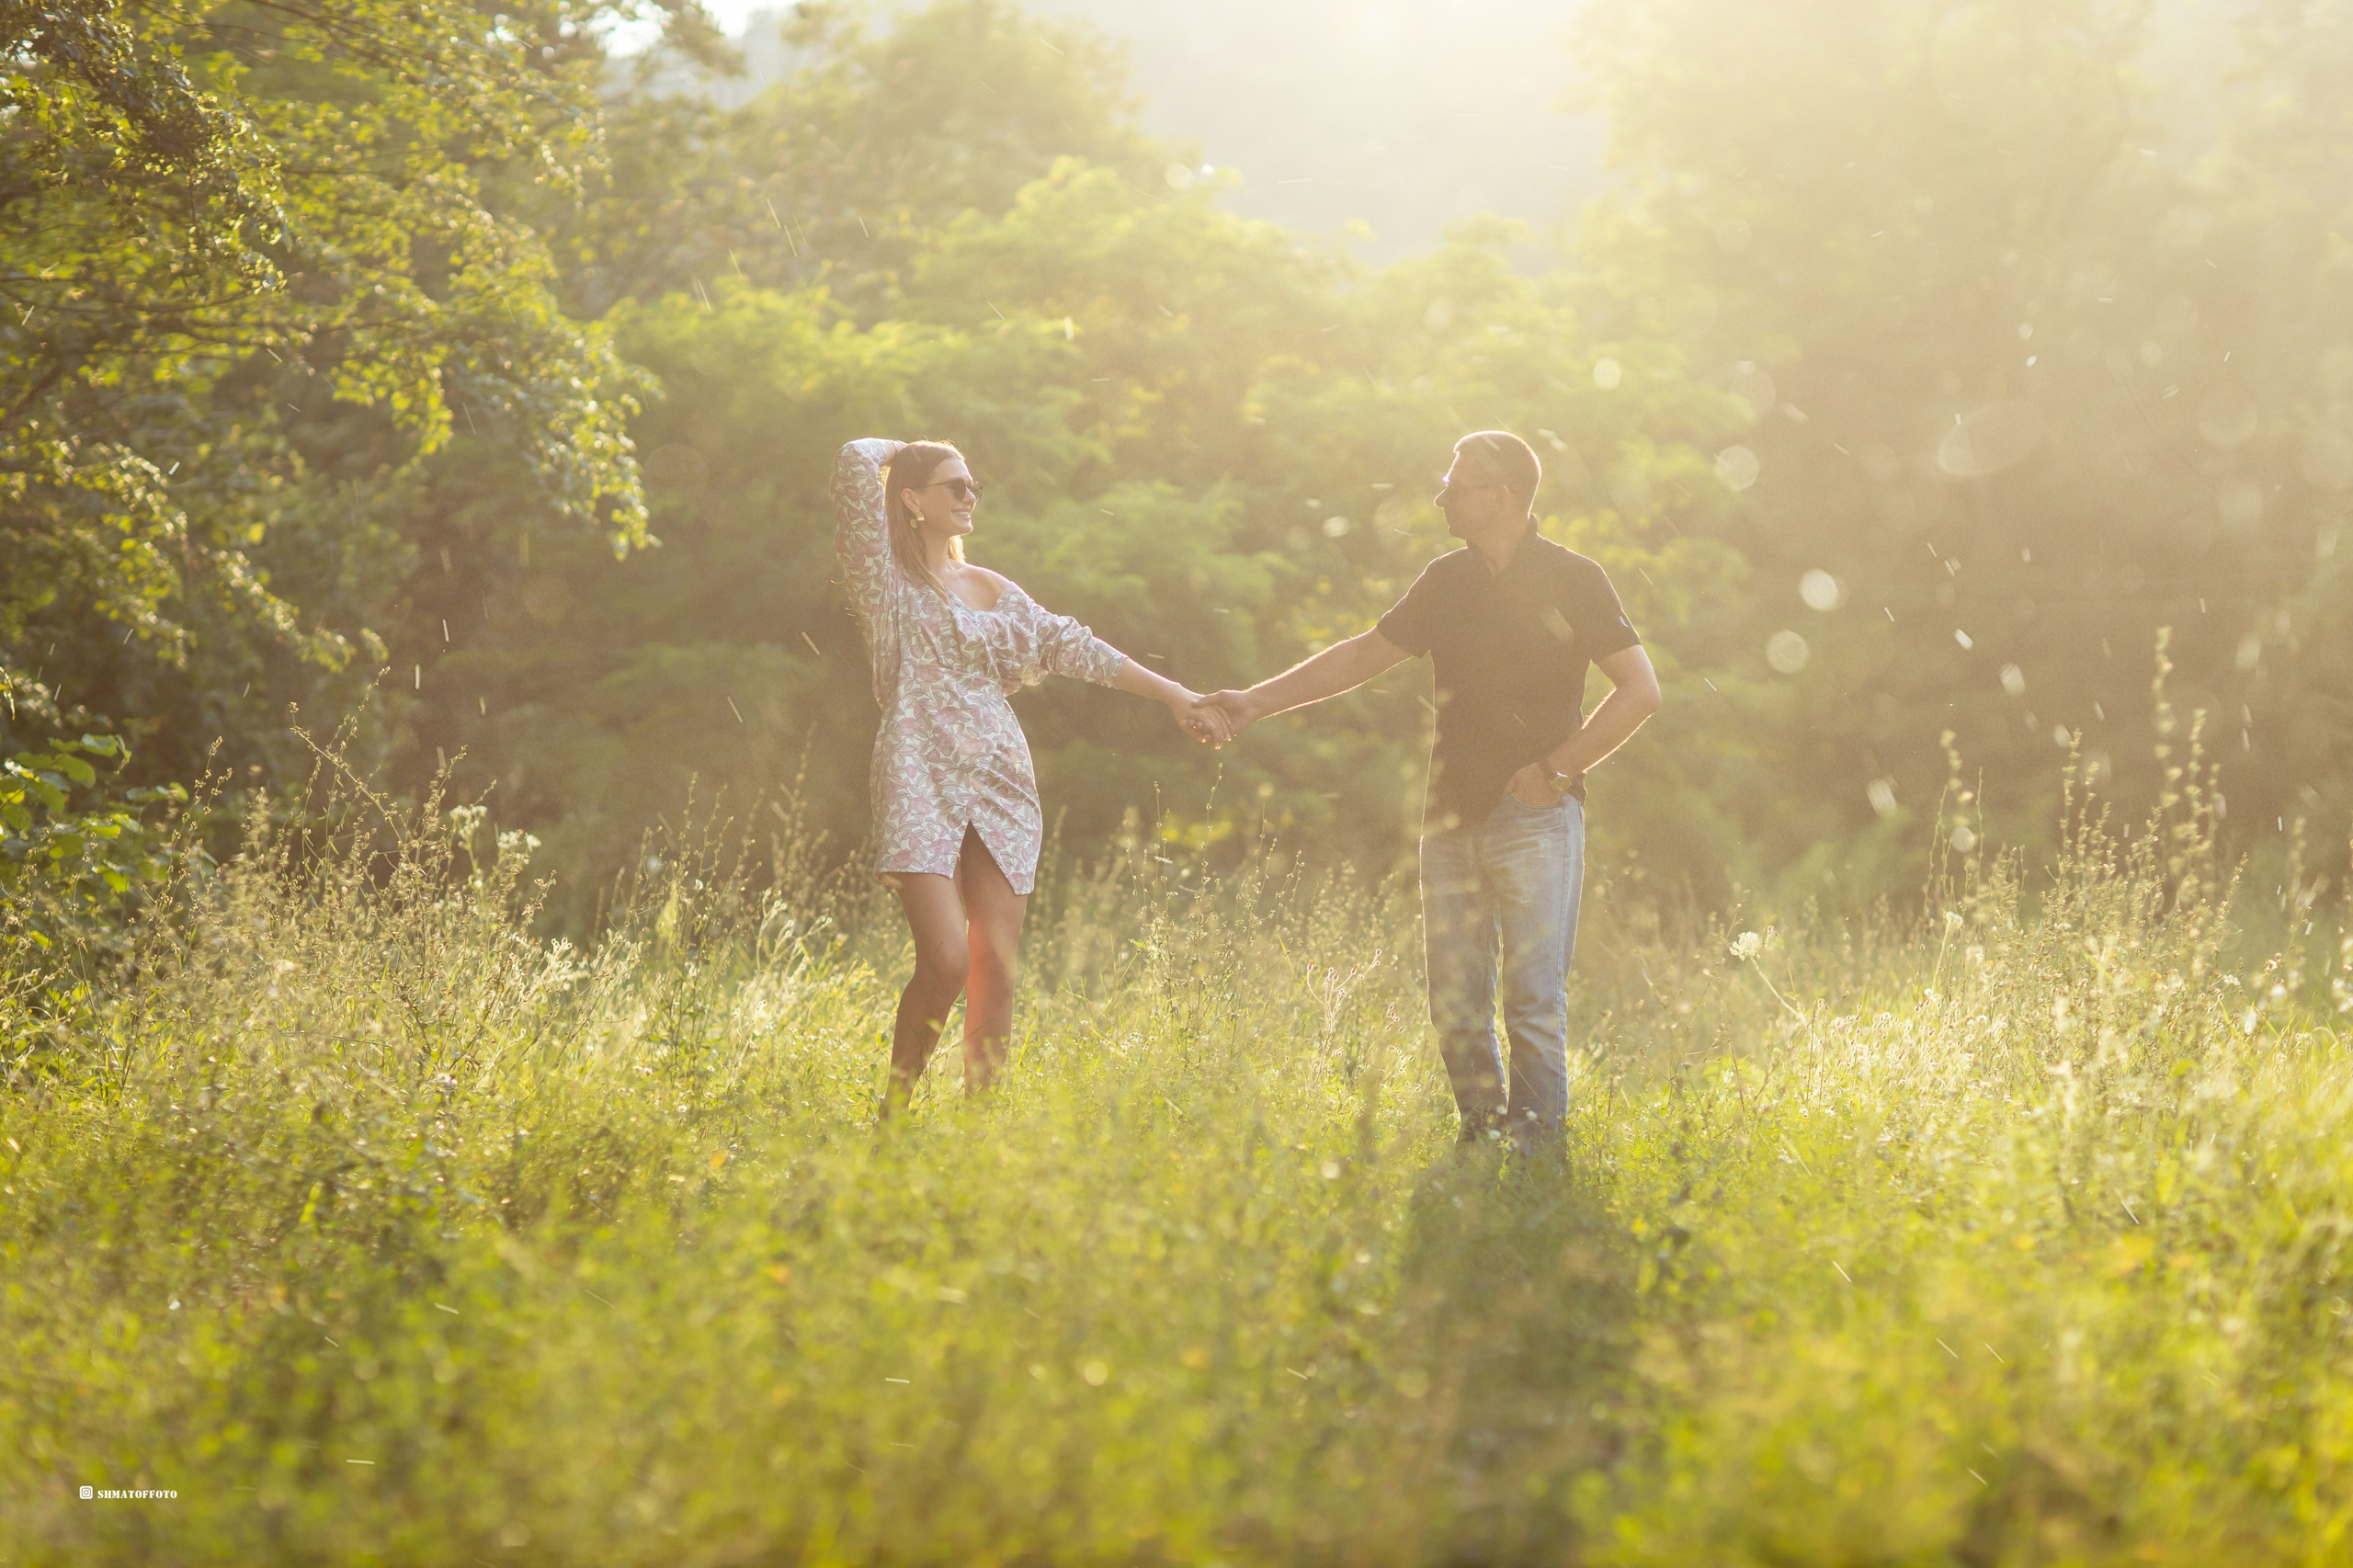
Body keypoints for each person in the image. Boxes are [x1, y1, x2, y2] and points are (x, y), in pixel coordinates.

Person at [1199, 431, 1661, 1150]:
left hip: (1537, 818)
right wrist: (1254, 702)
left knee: (1533, 1003)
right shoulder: (1446, 581)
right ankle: (1482, 1142)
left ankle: (1538, 1159)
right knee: (1456, 1004)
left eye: (1456, 486)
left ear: (1499, 497)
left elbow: (1640, 691)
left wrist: (1556, 772)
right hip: (1448, 820)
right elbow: (1363, 655)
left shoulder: (1575, 578)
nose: (1441, 497)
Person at [834, 437, 1227, 1116]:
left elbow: (1074, 645)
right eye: (955, 485)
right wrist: (911, 449)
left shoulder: (993, 588)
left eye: (973, 486)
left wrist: (1173, 694)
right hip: (918, 771)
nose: (970, 496)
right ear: (912, 499)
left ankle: (982, 1134)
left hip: (1001, 779)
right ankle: (891, 1122)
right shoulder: (885, 583)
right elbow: (852, 460)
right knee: (947, 961)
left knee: (996, 966)